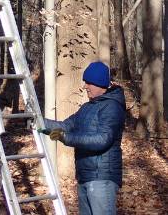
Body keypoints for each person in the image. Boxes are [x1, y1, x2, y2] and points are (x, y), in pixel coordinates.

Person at [40, 61, 126, 215]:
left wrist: (65, 138)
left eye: (89, 83)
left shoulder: (112, 107)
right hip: (85, 177)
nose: (85, 86)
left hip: (102, 179)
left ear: (101, 84)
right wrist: (39, 123)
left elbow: (102, 140)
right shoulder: (87, 107)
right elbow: (65, 126)